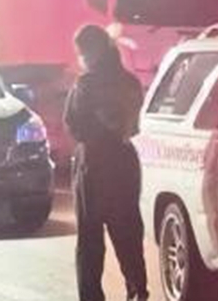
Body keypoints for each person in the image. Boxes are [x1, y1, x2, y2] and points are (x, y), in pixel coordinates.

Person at [66, 24, 149, 301]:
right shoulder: (130, 82)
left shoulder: (86, 84)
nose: (81, 58)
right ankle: (137, 289)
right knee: (128, 232)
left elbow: (73, 124)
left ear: (90, 51)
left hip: (93, 164)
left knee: (90, 240)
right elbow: (134, 126)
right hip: (124, 162)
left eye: (81, 52)